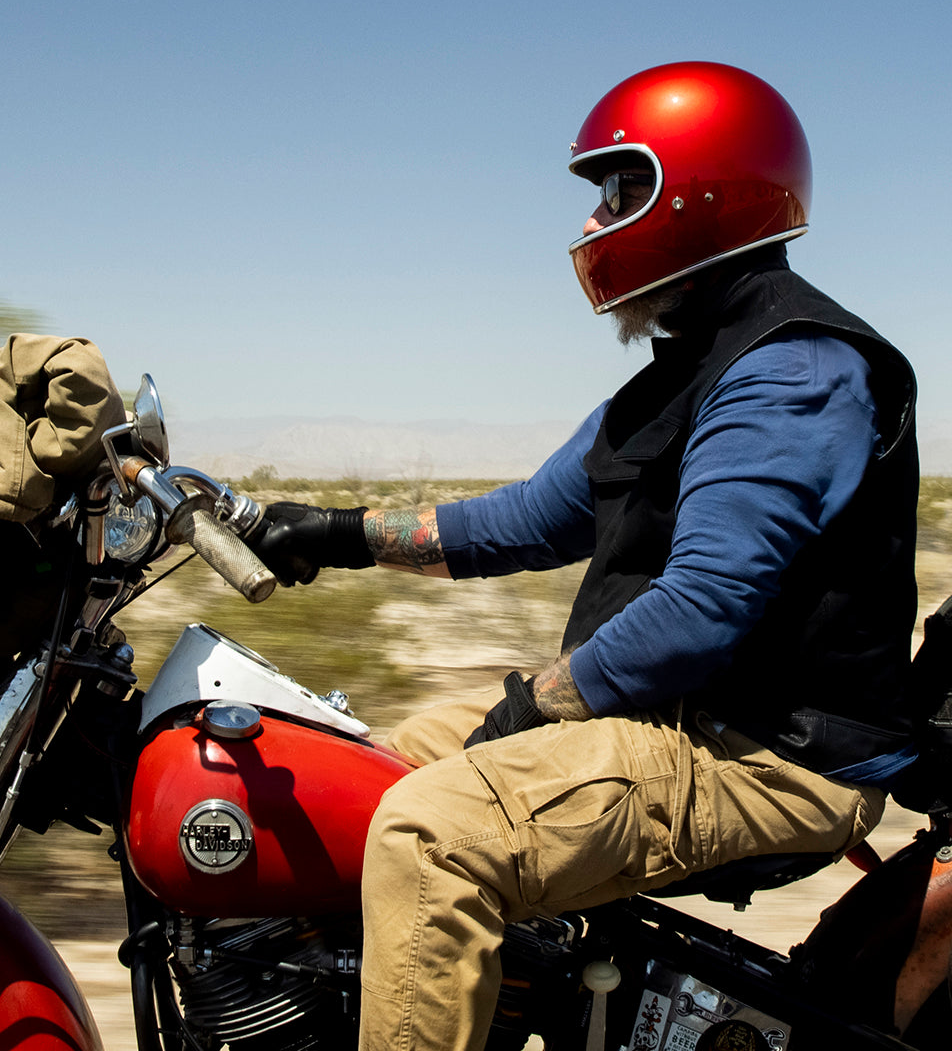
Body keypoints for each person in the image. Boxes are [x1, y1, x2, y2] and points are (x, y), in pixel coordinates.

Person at [249, 61, 920, 1051]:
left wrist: (534, 701)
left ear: (701, 191)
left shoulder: (794, 368)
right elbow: (526, 520)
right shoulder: (682, 372)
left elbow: (703, 608)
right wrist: (336, 534)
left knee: (428, 836)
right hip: (681, 718)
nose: (598, 221)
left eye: (622, 190)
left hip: (769, 754)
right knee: (363, 765)